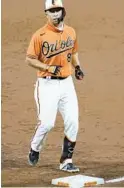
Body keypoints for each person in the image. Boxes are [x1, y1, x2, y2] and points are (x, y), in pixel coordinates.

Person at [26, 0, 84, 173]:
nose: (55, 14)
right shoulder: (40, 35)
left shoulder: (71, 32)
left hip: (67, 83)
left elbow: (73, 53)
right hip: (46, 84)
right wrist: (48, 67)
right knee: (47, 123)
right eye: (51, 11)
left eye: (58, 10)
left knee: (73, 121)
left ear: (63, 11)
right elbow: (30, 59)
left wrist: (78, 67)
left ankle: (66, 160)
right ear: (46, 14)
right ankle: (35, 148)